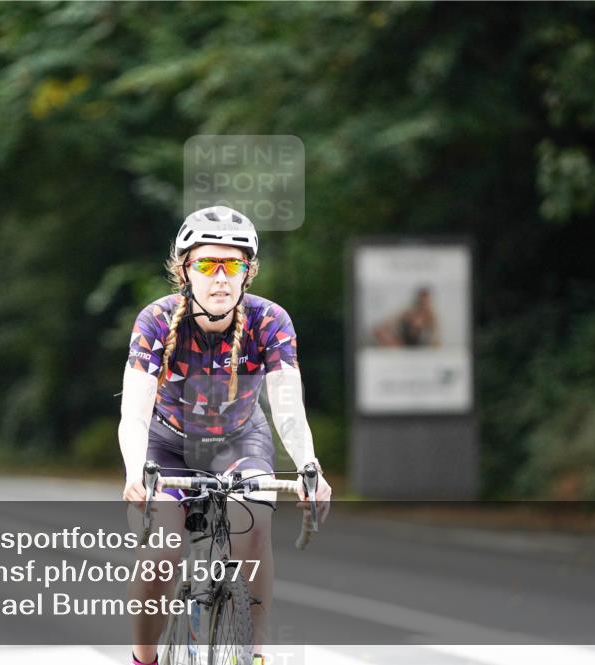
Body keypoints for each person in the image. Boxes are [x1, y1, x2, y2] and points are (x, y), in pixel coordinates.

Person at [119, 206, 332, 665]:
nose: (221, 278)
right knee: (162, 553)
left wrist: (309, 465)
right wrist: (136, 470)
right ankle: (143, 658)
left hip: (240, 440)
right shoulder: (155, 322)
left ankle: (254, 653)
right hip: (168, 444)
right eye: (207, 264)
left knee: (253, 526)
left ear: (247, 273)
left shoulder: (269, 321)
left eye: (233, 265)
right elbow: (133, 412)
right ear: (184, 270)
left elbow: (287, 404)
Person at [373, 285, 441, 347]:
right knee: (380, 331)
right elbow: (390, 321)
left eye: (425, 300)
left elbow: (435, 336)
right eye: (421, 299)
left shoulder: (430, 316)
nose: (423, 302)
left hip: (418, 344)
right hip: (403, 342)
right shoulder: (409, 312)